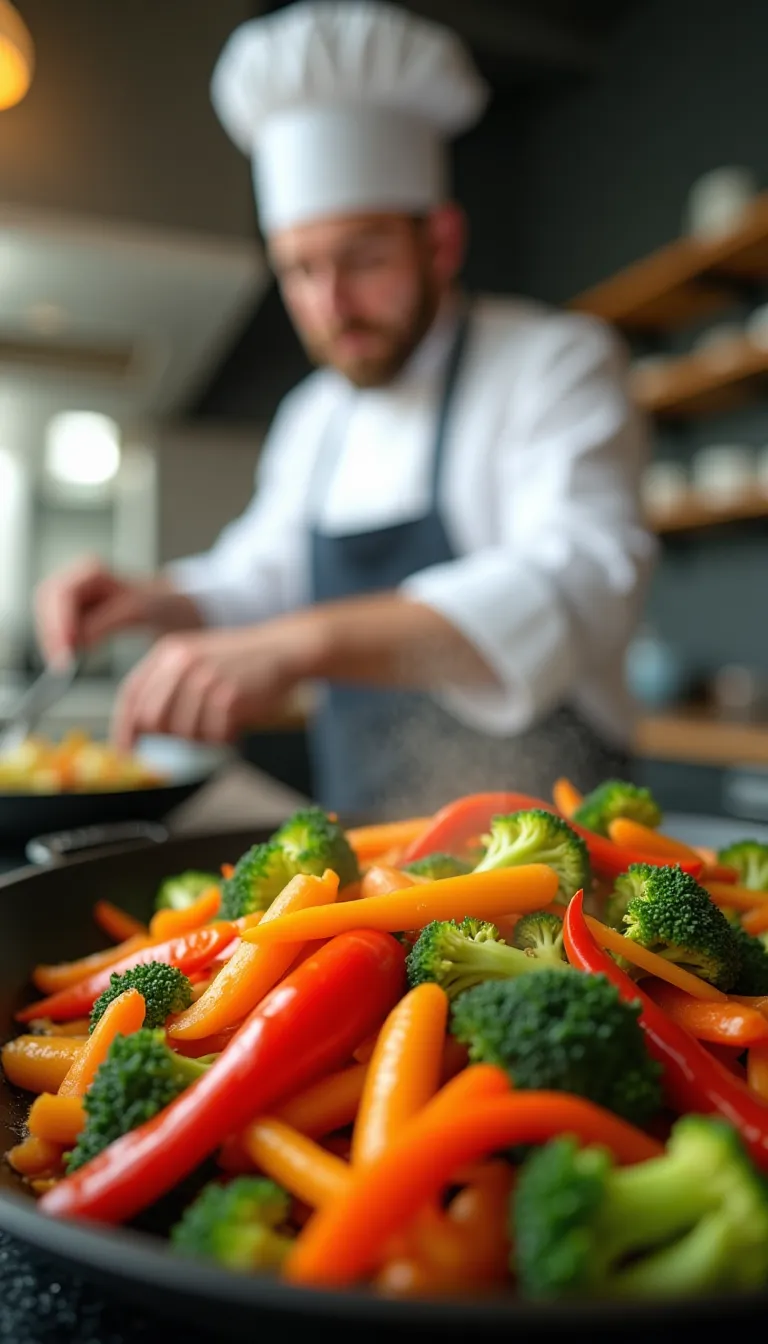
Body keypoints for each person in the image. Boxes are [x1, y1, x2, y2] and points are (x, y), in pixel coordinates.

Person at [34, 0, 655, 820]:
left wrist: (299, 646)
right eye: (299, 271)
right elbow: (261, 573)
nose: (331, 304)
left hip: (559, 852)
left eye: (362, 258)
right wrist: (149, 601)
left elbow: (579, 579)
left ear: (440, 242)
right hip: (364, 855)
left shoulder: (557, 361)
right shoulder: (314, 416)